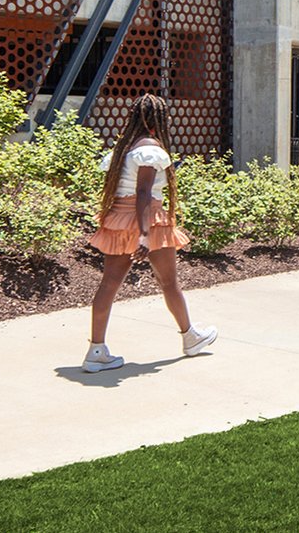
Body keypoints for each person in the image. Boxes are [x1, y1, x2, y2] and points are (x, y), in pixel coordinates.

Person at [83, 94, 219, 372]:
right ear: (157, 120)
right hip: (148, 219)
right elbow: (143, 192)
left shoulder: (124, 148)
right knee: (169, 282)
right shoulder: (149, 149)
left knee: (109, 284)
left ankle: (96, 350)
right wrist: (144, 235)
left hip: (119, 219)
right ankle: (190, 337)